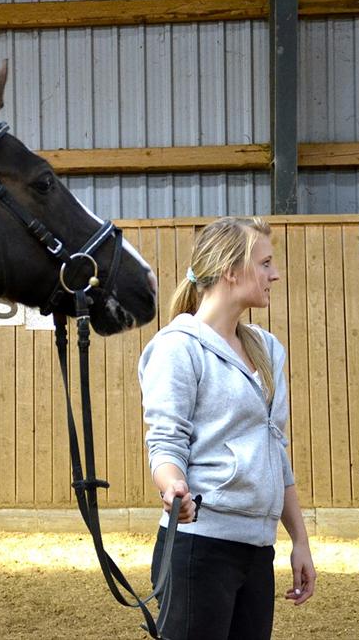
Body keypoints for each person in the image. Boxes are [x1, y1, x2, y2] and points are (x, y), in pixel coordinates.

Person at [138, 216, 315, 640]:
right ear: (232, 271)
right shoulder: (176, 348)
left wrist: (300, 540)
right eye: (266, 263)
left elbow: (276, 448)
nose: (275, 274)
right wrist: (173, 487)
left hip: (257, 551)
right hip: (200, 548)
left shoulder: (268, 349)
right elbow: (165, 442)